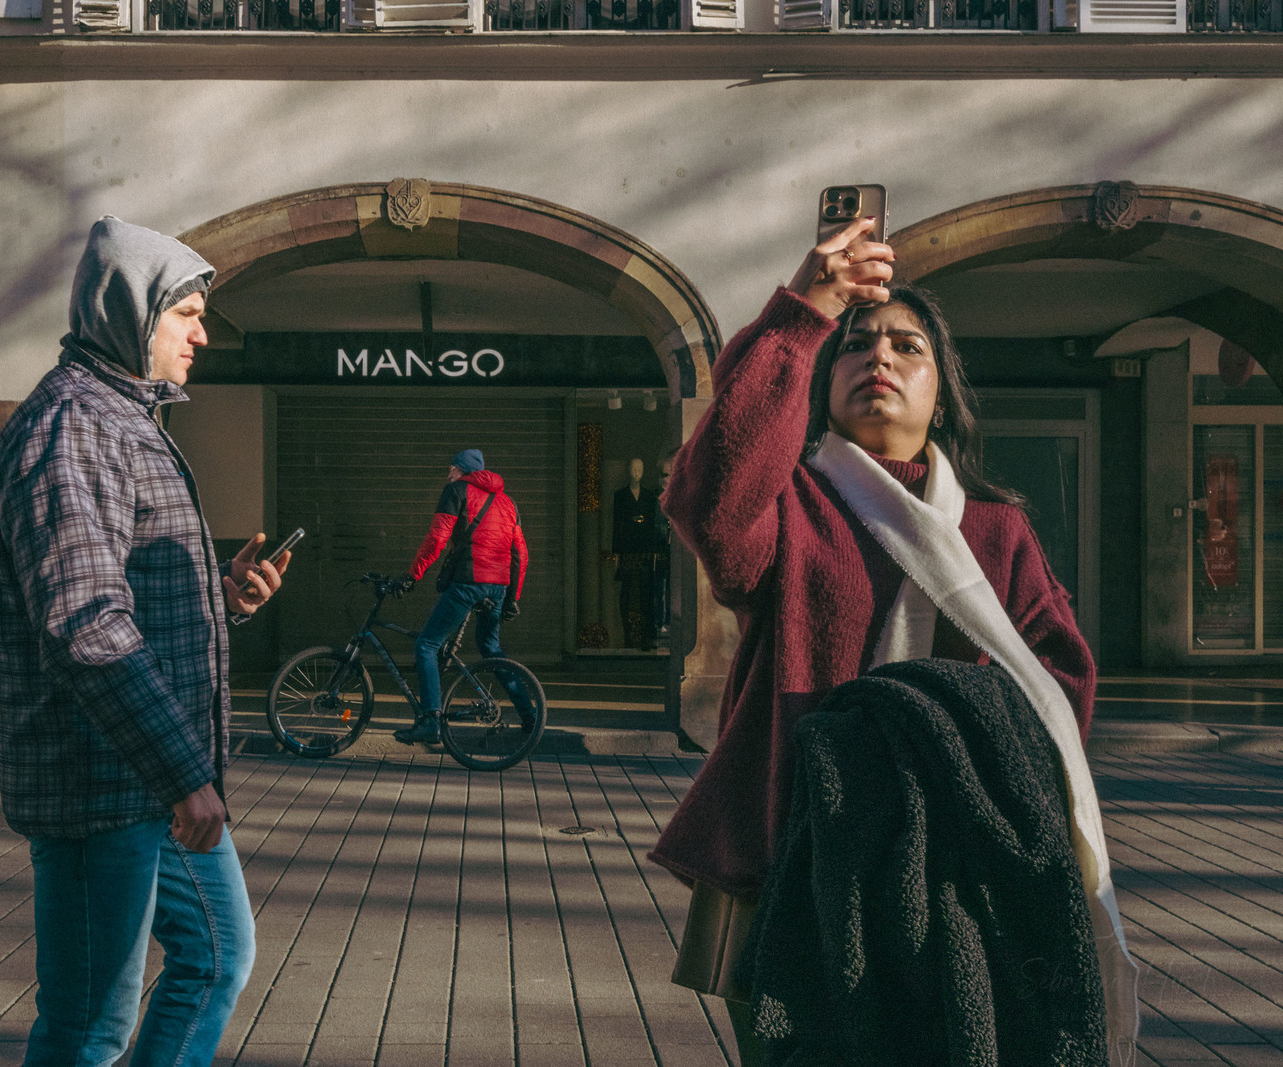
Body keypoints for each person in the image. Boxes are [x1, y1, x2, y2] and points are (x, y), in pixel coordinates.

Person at [647, 216, 1138, 1063]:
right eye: (855, 343)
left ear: (940, 391)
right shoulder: (790, 507)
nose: (878, 356)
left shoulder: (996, 528)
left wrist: (941, 749)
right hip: (787, 851)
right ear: (820, 380)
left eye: (908, 346)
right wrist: (805, 312)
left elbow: (1060, 677)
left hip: (956, 860)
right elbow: (709, 500)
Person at [0, 216, 290, 1067]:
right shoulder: (69, 430)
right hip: (103, 781)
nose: (202, 334)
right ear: (131, 312)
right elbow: (85, 622)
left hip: (151, 774)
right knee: (88, 1029)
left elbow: (121, 603)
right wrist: (184, 775)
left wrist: (218, 603)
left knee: (219, 954)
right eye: (187, 312)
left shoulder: (125, 419)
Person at [394, 448, 528, 744]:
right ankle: (530, 714)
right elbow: (520, 552)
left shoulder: (456, 491)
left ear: (462, 471)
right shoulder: (507, 501)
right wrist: (512, 598)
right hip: (498, 587)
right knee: (490, 647)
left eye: (451, 469)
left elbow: (437, 538)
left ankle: (431, 721)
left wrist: (412, 576)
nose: (448, 474)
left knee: (427, 644)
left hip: (469, 583)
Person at [611, 457, 661, 649]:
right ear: (628, 471)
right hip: (627, 550)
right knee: (627, 592)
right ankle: (627, 635)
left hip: (645, 551)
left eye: (640, 469)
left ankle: (647, 635)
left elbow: (653, 526)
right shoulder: (620, 496)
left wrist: (655, 551)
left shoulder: (649, 497)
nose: (637, 473)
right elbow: (617, 525)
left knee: (646, 592)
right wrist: (616, 554)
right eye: (634, 469)